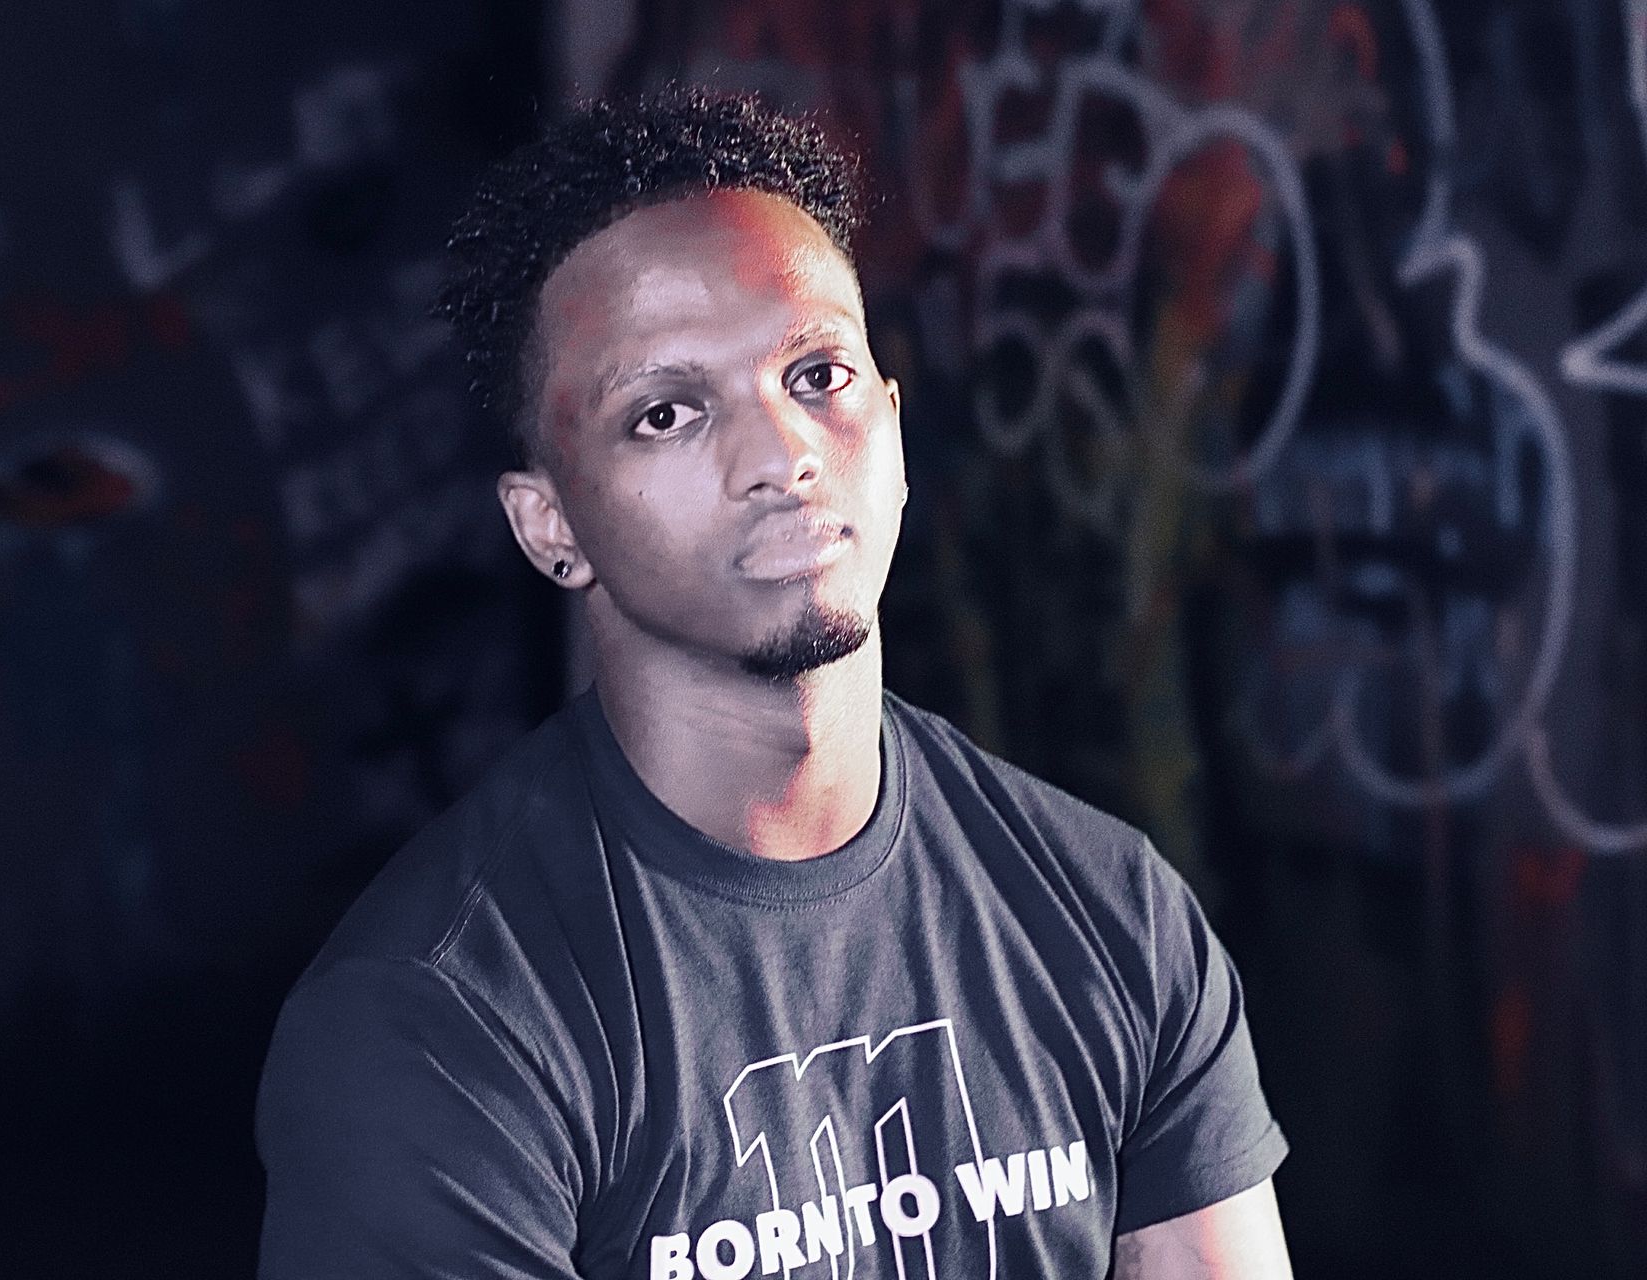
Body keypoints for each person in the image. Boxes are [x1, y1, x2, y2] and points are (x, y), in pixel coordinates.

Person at [256, 85, 1293, 1279]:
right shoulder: (438, 1022)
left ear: (895, 433)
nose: (781, 455)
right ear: (552, 527)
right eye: (665, 412)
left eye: (816, 375)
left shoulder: (1115, 917)